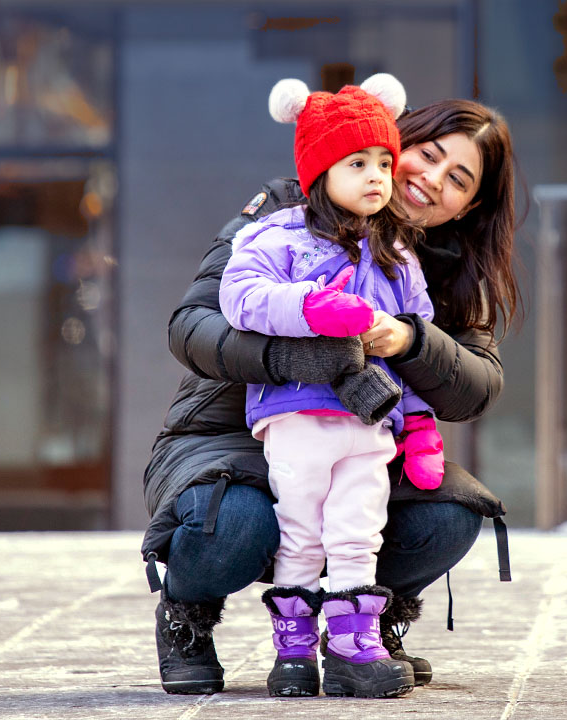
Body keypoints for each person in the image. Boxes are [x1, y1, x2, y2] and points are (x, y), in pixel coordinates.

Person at [142, 92, 519, 697]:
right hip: (231, 439)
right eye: (427, 154)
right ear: (399, 138)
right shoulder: (289, 210)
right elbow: (192, 325)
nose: (430, 180)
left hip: (357, 444)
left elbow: (476, 386)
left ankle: (363, 626)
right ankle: (188, 614)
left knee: (451, 514)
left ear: (467, 207)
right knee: (236, 525)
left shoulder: (446, 271)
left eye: (459, 179)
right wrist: (294, 354)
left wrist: (409, 339)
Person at [218, 73, 445, 699]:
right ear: (320, 172)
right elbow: (240, 299)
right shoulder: (278, 235)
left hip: (371, 419)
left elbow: (416, 332)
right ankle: (293, 652)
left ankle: (354, 646)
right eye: (357, 163)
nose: (376, 175)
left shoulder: (397, 250)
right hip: (297, 413)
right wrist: (313, 309)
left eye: (382, 161)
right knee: (302, 530)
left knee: (357, 527)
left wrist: (420, 423)